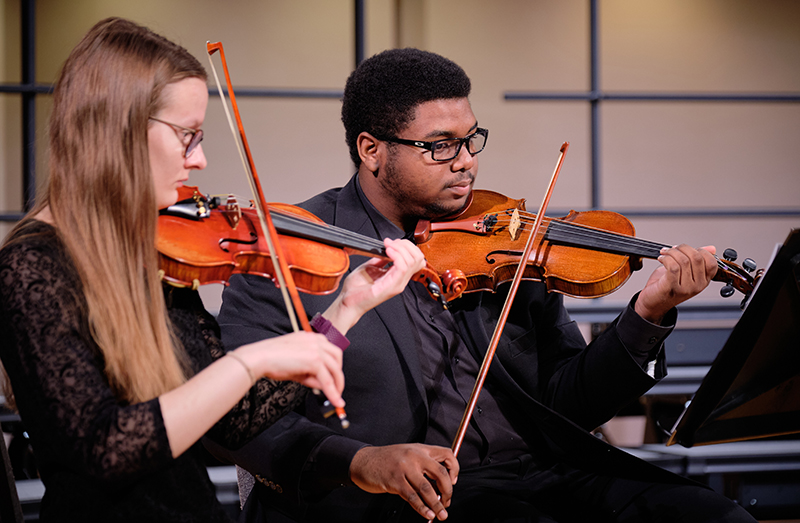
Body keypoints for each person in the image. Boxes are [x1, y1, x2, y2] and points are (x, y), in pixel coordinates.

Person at [212, 48, 757, 522]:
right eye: (440, 146)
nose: (467, 162)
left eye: (471, 139)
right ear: (372, 150)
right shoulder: (292, 249)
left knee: (718, 516)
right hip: (396, 501)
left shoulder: (504, 240)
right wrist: (363, 461)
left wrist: (647, 314)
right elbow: (245, 422)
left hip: (543, 474)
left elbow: (570, 404)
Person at [0, 19, 426, 522]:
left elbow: (235, 421)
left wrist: (346, 308)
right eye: (187, 136)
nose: (200, 160)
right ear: (118, 129)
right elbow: (105, 448)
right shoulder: (30, 266)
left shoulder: (152, 254)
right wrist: (251, 361)